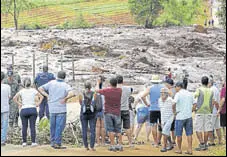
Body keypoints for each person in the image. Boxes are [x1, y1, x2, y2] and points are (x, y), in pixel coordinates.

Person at [38, 71, 74, 149]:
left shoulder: (51, 83)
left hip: (52, 108)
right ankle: (57, 143)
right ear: (64, 77)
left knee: (52, 126)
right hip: (61, 108)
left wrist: (47, 95)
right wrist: (65, 98)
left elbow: (40, 88)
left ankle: (52, 142)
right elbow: (72, 93)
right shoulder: (65, 85)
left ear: (57, 76)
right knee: (59, 126)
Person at [13, 77, 43, 147]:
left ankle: (24, 142)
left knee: (24, 126)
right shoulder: (34, 90)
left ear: (24, 83)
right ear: (30, 83)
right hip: (32, 109)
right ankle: (33, 142)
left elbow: (14, 98)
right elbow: (41, 97)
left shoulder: (21, 91)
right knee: (32, 126)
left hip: (24, 109)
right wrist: (38, 103)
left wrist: (19, 104)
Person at [95, 77, 122, 152]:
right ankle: (119, 145)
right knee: (118, 130)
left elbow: (97, 90)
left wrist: (98, 82)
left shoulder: (107, 90)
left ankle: (112, 145)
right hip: (117, 112)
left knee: (110, 129)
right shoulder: (120, 90)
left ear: (110, 84)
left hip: (108, 112)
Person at [141, 75, 165, 147]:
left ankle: (155, 142)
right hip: (161, 108)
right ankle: (160, 140)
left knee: (153, 126)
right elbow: (169, 94)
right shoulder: (162, 88)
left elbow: (142, 96)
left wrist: (147, 104)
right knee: (161, 125)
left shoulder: (150, 88)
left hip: (153, 109)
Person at [173, 82, 194, 155]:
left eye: (175, 87)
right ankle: (190, 149)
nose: (175, 88)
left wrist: (174, 112)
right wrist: (191, 110)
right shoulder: (190, 93)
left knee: (179, 134)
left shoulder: (178, 94)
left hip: (180, 116)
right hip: (188, 116)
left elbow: (173, 103)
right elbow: (194, 104)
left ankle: (179, 149)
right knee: (189, 133)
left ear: (179, 87)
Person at [194, 76, 214, 151]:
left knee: (198, 129)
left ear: (201, 82)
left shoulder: (199, 89)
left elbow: (194, 96)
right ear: (207, 82)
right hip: (208, 111)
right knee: (206, 129)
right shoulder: (211, 91)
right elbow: (212, 101)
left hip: (200, 111)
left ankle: (201, 143)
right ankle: (205, 144)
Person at [116, 75, 134, 148]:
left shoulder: (114, 89)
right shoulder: (127, 89)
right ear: (122, 81)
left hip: (117, 110)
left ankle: (120, 143)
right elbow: (131, 90)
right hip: (126, 109)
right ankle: (130, 143)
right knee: (127, 127)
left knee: (118, 127)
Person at [79, 81, 97, 151]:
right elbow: (95, 103)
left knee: (84, 130)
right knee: (92, 130)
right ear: (90, 87)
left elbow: (80, 103)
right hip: (92, 114)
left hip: (83, 114)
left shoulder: (81, 94)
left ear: (84, 86)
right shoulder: (94, 94)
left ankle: (86, 146)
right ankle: (92, 146)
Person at [159, 87, 174, 152]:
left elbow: (175, 107)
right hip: (163, 118)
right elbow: (161, 110)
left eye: (163, 93)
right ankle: (170, 144)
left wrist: (174, 115)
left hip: (170, 118)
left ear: (167, 94)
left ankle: (164, 147)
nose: (162, 94)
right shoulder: (159, 100)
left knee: (164, 132)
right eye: (161, 93)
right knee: (166, 133)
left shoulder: (171, 100)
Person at [208, 78, 222, 146]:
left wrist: (216, 108)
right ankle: (219, 141)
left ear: (210, 83)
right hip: (216, 111)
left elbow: (214, 101)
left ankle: (211, 142)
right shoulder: (216, 89)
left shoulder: (211, 89)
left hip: (213, 111)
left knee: (210, 128)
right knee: (217, 127)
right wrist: (218, 110)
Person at [1, 72, 11, 146]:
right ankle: (2, 140)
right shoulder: (7, 87)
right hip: (5, 107)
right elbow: (9, 97)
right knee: (4, 125)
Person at [95, 76, 106, 147]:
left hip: (97, 110)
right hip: (104, 109)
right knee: (103, 126)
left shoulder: (96, 92)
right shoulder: (105, 91)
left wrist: (97, 82)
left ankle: (98, 142)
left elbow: (96, 89)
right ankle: (103, 142)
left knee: (97, 126)